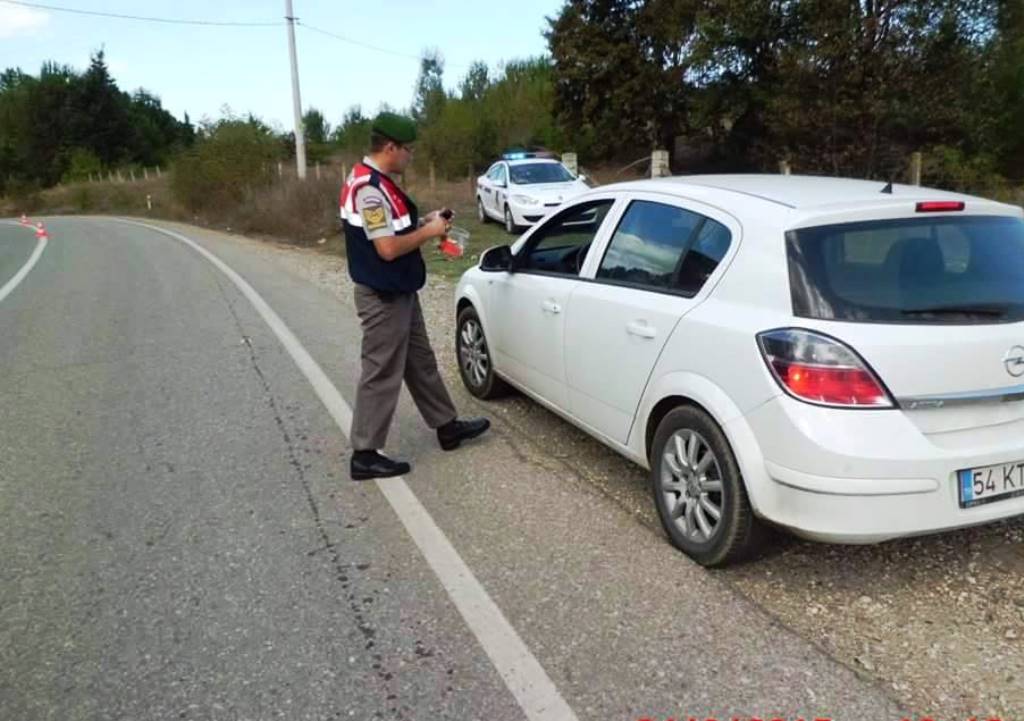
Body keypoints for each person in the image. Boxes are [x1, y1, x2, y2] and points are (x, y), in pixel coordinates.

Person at [339, 112, 490, 481]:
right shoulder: (369, 190)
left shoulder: (378, 182)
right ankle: (365, 453)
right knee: (381, 371)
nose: (410, 156)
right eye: (408, 150)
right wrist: (430, 233)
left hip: (401, 290)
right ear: (390, 147)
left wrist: (426, 223)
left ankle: (446, 426)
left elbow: (392, 229)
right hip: (383, 295)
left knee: (420, 362)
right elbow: (387, 248)